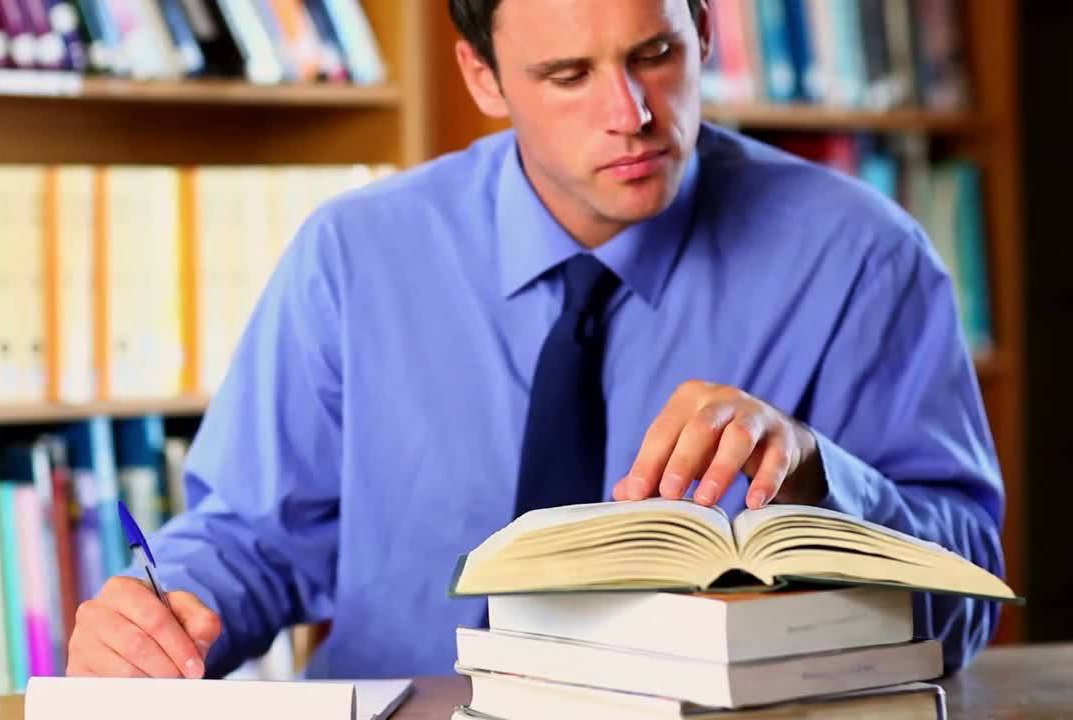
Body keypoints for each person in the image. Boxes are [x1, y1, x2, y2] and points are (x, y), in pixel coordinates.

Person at [65, 0, 1006, 682]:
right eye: (568, 75)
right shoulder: (356, 254)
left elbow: (969, 599)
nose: (631, 114)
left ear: (708, 29)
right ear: (482, 77)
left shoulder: (863, 261)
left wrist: (819, 486)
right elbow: (253, 541)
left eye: (657, 53)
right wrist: (160, 618)